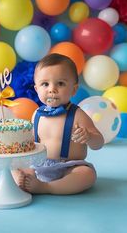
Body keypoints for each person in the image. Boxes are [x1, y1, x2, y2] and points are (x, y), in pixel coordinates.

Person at [13, 53, 104, 195]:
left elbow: (99, 143)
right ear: (37, 89)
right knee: (12, 164)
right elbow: (30, 142)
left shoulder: (78, 115)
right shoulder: (37, 114)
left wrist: (89, 137)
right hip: (38, 165)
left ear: (74, 89)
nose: (52, 89)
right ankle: (24, 179)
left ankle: (46, 187)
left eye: (60, 83)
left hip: (68, 167)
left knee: (87, 175)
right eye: (45, 84)